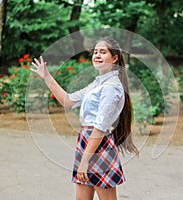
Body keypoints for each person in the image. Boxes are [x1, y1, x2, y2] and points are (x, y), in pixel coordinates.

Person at [31, 37, 139, 200]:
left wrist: (84, 161)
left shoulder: (111, 87)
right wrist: (47, 77)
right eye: (95, 52)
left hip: (98, 144)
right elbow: (67, 101)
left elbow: (100, 127)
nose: (97, 55)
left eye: (103, 52)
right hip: (87, 141)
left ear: (114, 58)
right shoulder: (98, 83)